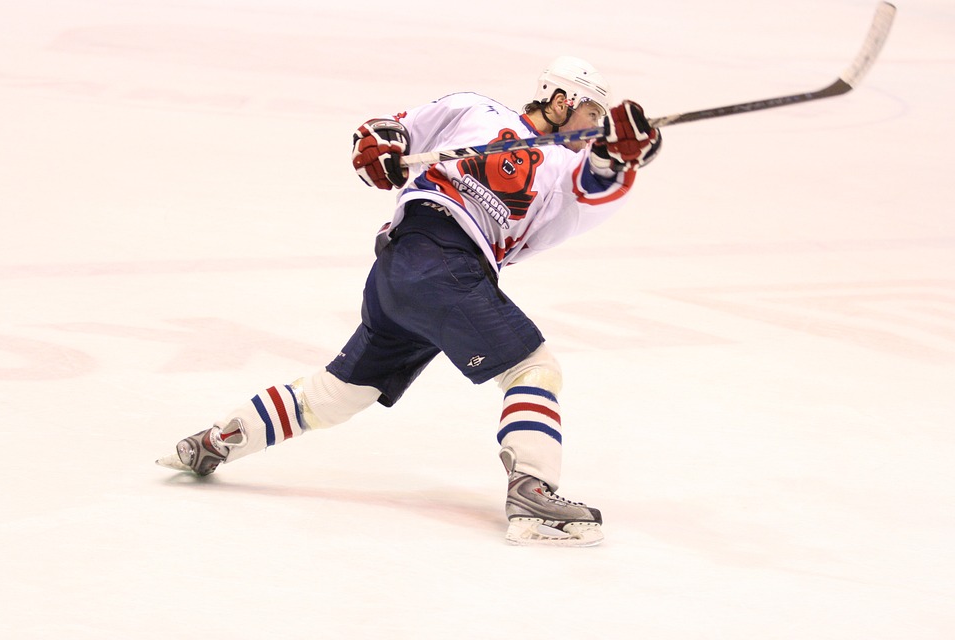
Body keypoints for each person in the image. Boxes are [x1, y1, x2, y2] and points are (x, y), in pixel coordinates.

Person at [157, 56, 662, 547]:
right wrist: (377, 146)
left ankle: (217, 440)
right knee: (534, 367)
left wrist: (614, 157)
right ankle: (531, 488)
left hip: (414, 275)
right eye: (592, 114)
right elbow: (391, 131)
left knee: (338, 394)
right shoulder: (473, 109)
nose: (596, 127)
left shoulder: (563, 166)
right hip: (434, 256)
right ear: (560, 98)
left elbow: (590, 187)